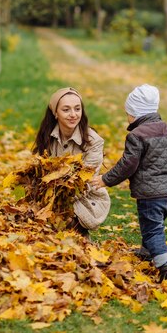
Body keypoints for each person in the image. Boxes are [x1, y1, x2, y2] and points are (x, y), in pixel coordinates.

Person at [91, 84, 167, 281]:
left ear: (134, 114)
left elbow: (128, 164)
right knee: (154, 226)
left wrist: (105, 180)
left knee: (152, 230)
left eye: (128, 114)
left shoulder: (136, 135)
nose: (127, 118)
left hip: (150, 195)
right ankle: (146, 252)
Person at [33, 87, 110, 237]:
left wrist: (56, 202)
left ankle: (79, 237)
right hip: (52, 193)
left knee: (65, 227)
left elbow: (84, 181)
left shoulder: (93, 141)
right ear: (56, 113)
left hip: (85, 195)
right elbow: (41, 171)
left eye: (77, 109)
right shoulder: (47, 136)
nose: (73, 115)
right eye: (66, 110)